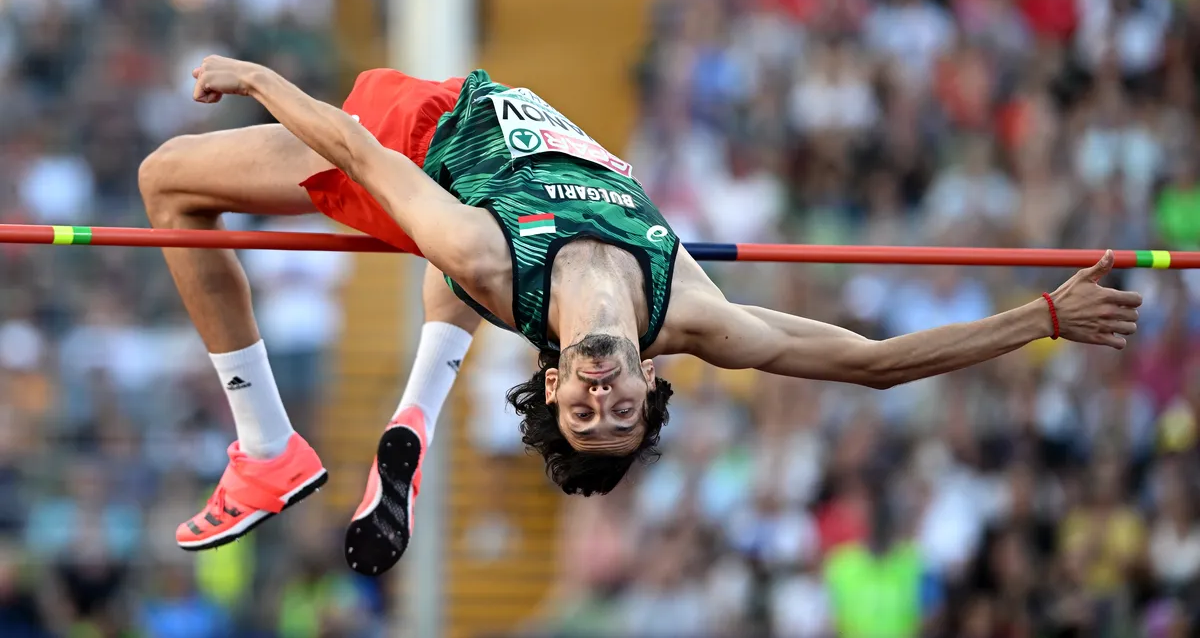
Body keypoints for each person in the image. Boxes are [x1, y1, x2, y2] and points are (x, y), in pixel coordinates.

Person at [139, 55, 1141, 577]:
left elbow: (363, 155)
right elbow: (875, 363)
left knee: (169, 184)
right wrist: (1043, 315)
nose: (604, 397)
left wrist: (263, 81)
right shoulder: (692, 311)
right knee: (459, 260)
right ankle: (411, 421)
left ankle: (267, 446)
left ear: (556, 383)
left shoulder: (493, 259)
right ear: (654, 382)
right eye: (622, 413)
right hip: (479, 156)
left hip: (416, 134)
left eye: (584, 411)